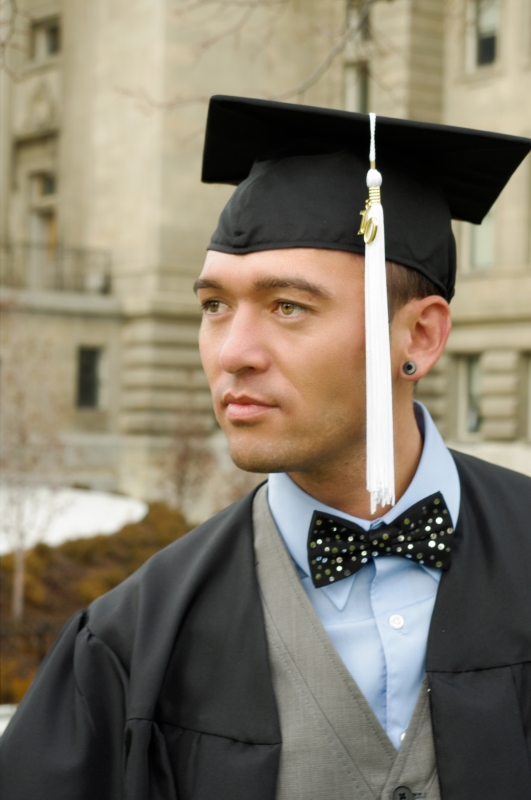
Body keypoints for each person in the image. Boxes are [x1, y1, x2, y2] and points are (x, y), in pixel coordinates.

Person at [1, 97, 531, 800]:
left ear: (420, 337)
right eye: (214, 306)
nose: (233, 352)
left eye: (288, 306)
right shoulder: (132, 639)